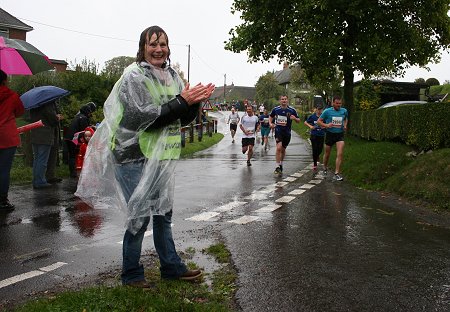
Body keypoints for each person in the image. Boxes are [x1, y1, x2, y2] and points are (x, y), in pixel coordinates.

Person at [75, 26, 214, 288]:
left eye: (163, 44)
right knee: (139, 214)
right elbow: (143, 119)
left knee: (164, 212)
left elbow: (180, 117)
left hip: (161, 155)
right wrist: (182, 101)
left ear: (168, 48)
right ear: (143, 48)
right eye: (153, 44)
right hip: (132, 154)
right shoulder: (134, 77)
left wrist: (194, 102)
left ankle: (171, 267)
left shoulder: (172, 76)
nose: (158, 49)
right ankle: (131, 274)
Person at [0, 69, 25, 211]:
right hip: (7, 137)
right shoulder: (13, 96)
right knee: (4, 169)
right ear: (4, 80)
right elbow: (20, 112)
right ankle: (2, 200)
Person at [30, 99, 64, 189]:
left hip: (35, 133)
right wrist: (58, 117)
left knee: (37, 159)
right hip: (45, 135)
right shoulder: (47, 104)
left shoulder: (34, 104)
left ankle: (36, 180)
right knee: (42, 160)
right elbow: (52, 119)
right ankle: (40, 181)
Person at [317, 95, 348, 181]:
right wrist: (326, 125)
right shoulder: (327, 111)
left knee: (340, 153)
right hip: (330, 134)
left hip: (339, 135)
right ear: (333, 103)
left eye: (340, 103)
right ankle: (325, 168)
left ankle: (336, 173)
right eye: (337, 103)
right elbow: (319, 121)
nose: (339, 105)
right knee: (327, 155)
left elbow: (345, 119)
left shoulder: (344, 111)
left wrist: (345, 125)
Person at [269, 95, 300, 175]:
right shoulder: (276, 109)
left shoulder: (292, 110)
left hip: (287, 133)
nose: (284, 101)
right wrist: (270, 123)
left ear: (287, 100)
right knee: (278, 148)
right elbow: (271, 116)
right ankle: (277, 166)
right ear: (280, 100)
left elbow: (298, 120)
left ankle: (281, 164)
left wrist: (295, 119)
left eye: (285, 99)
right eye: (282, 99)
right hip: (278, 131)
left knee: (283, 150)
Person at [64, 102, 96, 178]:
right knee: (74, 155)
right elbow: (85, 131)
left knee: (71, 156)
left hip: (69, 137)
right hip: (74, 139)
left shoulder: (78, 116)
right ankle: (75, 173)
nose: (90, 114)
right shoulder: (83, 118)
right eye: (89, 112)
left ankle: (72, 172)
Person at [304, 106, 326, 171]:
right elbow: (305, 122)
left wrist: (324, 127)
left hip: (321, 135)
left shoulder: (323, 117)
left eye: (320, 109)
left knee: (320, 149)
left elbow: (327, 124)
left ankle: (317, 155)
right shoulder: (312, 116)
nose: (319, 111)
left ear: (322, 110)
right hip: (314, 135)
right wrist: (310, 126)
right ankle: (315, 164)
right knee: (314, 149)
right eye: (318, 109)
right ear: (316, 109)